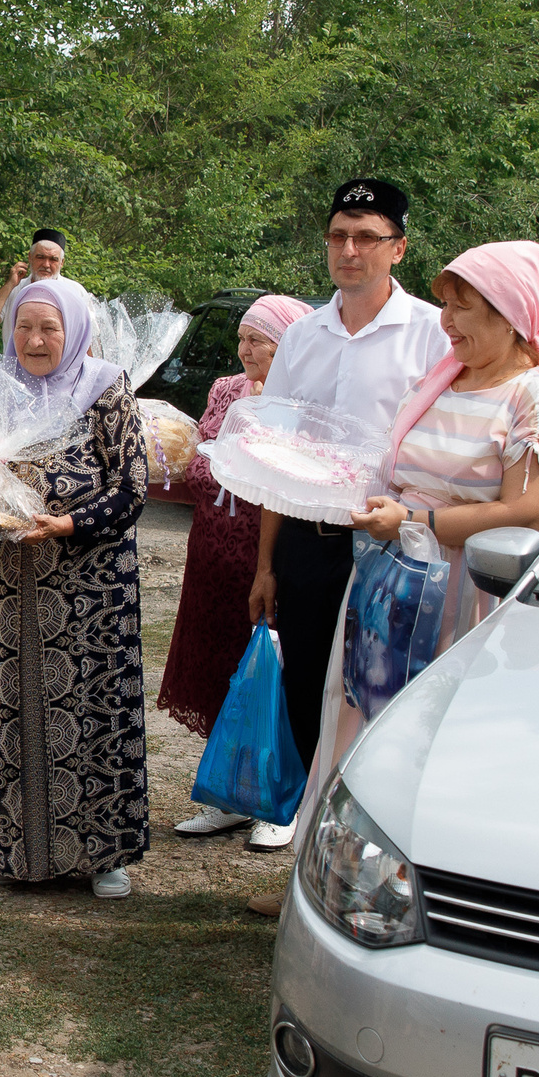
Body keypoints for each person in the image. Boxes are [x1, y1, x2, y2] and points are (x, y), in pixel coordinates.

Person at [243, 178, 449, 854]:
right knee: (306, 695)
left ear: (399, 248)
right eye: (338, 236)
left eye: (367, 237)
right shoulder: (302, 335)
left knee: (380, 702)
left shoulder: (429, 333)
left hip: (389, 548)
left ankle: (373, 857)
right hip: (308, 542)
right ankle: (306, 858)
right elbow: (277, 456)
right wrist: (267, 564)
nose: (349, 250)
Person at [325, 242, 539, 751]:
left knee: (434, 728)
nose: (446, 320)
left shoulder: (535, 397)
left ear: (512, 317)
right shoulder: (440, 382)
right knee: (363, 713)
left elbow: (528, 513)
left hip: (468, 590)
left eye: (463, 306)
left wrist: (414, 521)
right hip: (394, 580)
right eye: (445, 304)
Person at [0, 278, 151, 897]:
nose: (36, 340)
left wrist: (69, 524)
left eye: (50, 328)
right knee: (7, 708)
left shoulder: (106, 389)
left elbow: (132, 487)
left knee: (95, 711)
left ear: (74, 330)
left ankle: (105, 855)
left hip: (91, 589)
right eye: (24, 326)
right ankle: (8, 848)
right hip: (10, 586)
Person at [160, 293, 311, 836]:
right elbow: (201, 448)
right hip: (211, 550)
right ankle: (228, 792)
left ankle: (279, 802)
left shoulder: (302, 397)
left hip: (264, 551)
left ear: (289, 345)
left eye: (259, 340)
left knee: (274, 671)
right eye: (243, 338)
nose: (246, 349)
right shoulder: (224, 389)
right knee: (221, 666)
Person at [0, 228, 68, 332]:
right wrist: (10, 284)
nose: (46, 265)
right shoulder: (14, 289)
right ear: (30, 257)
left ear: (62, 262)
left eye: (53, 259)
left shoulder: (74, 292)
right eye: (40, 257)